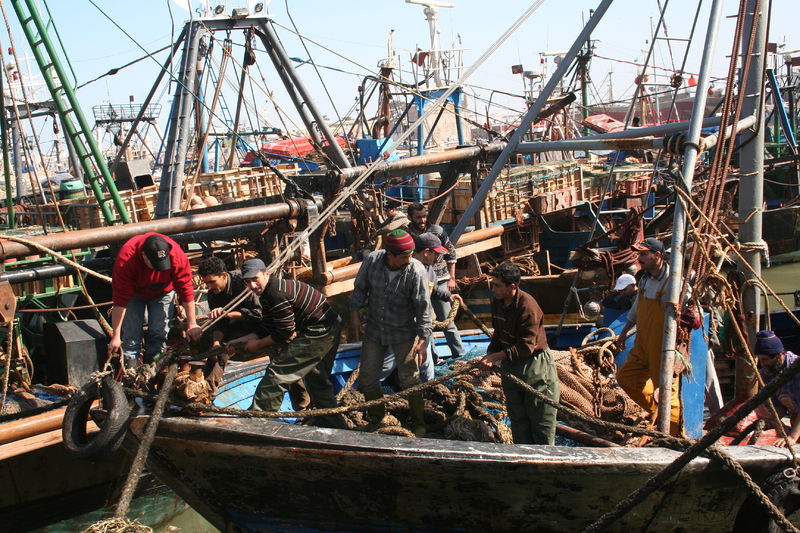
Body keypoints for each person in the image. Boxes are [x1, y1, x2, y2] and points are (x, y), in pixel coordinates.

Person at [228, 259, 340, 415]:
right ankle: (329, 420)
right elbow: (268, 326)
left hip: (321, 329)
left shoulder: (276, 294)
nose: (252, 285)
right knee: (316, 380)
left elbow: (285, 333)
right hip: (324, 327)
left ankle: (258, 419)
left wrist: (258, 344)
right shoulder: (269, 292)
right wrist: (242, 340)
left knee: (278, 373)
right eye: (248, 282)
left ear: (266, 273)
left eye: (255, 279)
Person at [350, 229, 433, 436]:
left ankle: (418, 422)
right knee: (368, 378)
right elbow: (359, 290)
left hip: (404, 332)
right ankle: (377, 419)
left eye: (411, 255)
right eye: (404, 256)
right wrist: (354, 319)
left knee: (410, 379)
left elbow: (423, 307)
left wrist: (423, 340)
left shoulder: (417, 270)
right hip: (375, 330)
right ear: (390, 255)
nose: (409, 259)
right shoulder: (372, 261)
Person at [479, 262, 560, 445]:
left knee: (541, 421)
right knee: (518, 418)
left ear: (512, 287)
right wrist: (490, 353)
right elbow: (498, 334)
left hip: (535, 366)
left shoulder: (528, 307)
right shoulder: (498, 303)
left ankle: (545, 463)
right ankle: (523, 460)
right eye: (493, 284)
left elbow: (526, 347)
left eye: (497, 285)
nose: (493, 289)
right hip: (511, 366)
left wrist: (495, 357)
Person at [615, 237, 683, 436]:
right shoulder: (644, 279)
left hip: (662, 346)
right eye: (639, 254)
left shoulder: (673, 280)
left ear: (658, 256)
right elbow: (637, 310)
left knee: (667, 395)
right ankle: (658, 414)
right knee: (626, 379)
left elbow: (686, 310)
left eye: (644, 254)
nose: (639, 258)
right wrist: (624, 332)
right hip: (642, 343)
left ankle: (676, 435)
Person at [108, 233, 201, 367]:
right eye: (156, 264)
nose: (160, 268)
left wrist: (192, 323)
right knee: (131, 337)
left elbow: (186, 289)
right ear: (144, 256)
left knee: (159, 333)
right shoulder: (126, 259)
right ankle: (131, 372)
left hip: (163, 291)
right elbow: (120, 301)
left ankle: (154, 369)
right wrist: (116, 336)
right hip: (134, 294)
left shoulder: (177, 255)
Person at [406, 202, 465, 362]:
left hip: (439, 281)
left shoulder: (437, 231)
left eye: (424, 216)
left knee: (447, 321)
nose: (422, 220)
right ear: (410, 218)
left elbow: (451, 253)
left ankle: (459, 355)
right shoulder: (406, 234)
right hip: (418, 283)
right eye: (418, 217)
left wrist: (452, 278)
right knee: (426, 323)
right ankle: (432, 358)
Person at [197, 256, 263, 391]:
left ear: (223, 275)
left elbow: (259, 314)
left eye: (212, 282)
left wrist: (228, 313)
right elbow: (220, 323)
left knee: (226, 348)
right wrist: (215, 343)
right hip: (239, 324)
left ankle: (207, 392)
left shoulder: (244, 282)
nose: (209, 287)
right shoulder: (213, 292)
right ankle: (202, 388)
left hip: (261, 326)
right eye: (206, 283)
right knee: (214, 348)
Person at [755, 330, 800, 447]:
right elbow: (778, 406)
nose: (762, 364)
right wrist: (772, 422)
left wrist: (792, 437)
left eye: (765, 359)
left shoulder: (797, 369)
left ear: (779, 355)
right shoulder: (767, 373)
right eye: (760, 359)